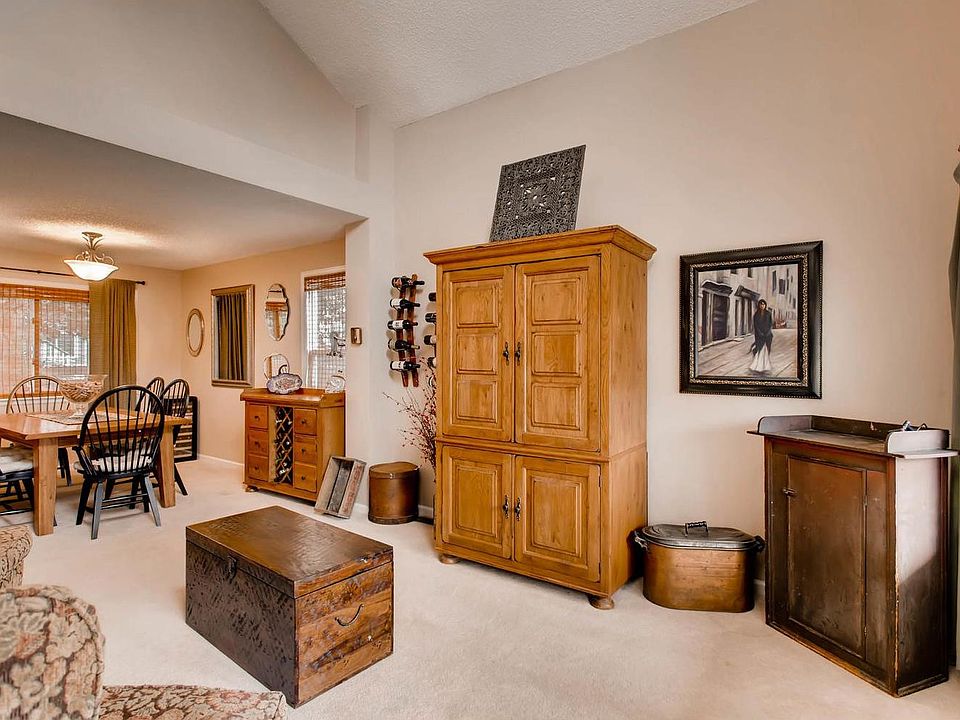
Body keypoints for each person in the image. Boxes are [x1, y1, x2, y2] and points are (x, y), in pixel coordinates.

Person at [749, 299, 773, 373]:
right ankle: (758, 366)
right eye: (761, 304)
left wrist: (768, 332)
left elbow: (770, 324)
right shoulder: (756, 315)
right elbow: (756, 325)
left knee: (766, 349)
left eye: (763, 304)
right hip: (759, 335)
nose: (762, 306)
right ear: (759, 305)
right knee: (759, 349)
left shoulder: (768, 313)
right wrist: (760, 333)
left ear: (765, 305)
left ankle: (765, 365)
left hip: (767, 335)